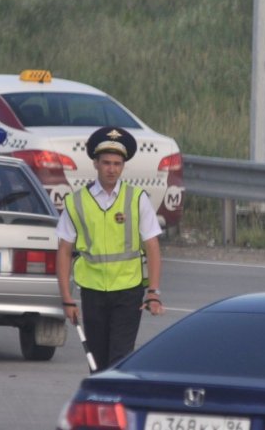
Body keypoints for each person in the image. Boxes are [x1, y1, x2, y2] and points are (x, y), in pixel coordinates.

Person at [56, 126, 164, 372]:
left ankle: (115, 407)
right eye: (106, 162)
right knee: (98, 361)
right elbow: (64, 250)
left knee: (120, 358)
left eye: (117, 163)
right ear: (95, 163)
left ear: (123, 166)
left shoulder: (137, 198)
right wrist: (67, 299)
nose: (112, 169)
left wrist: (154, 292)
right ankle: (100, 407)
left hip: (128, 292)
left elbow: (152, 246)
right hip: (93, 293)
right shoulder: (76, 202)